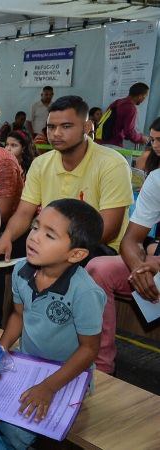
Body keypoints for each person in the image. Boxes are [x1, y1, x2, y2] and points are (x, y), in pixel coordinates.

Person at [0, 199, 105, 449]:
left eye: (49, 235)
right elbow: (18, 316)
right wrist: (3, 348)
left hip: (68, 374)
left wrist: (48, 387)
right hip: (27, 363)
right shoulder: (22, 270)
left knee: (15, 430)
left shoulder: (85, 292)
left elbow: (89, 350)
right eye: (35, 227)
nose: (35, 237)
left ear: (76, 254)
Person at [0, 95, 133, 262]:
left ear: (86, 127)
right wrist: (7, 237)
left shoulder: (112, 164)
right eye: (51, 127)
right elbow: (24, 213)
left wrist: (57, 249)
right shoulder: (41, 163)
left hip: (97, 246)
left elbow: (108, 229)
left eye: (66, 126)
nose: (56, 134)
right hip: (50, 239)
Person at [85, 152, 160, 373]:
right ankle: (102, 367)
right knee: (99, 268)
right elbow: (131, 239)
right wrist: (139, 269)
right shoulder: (156, 179)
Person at [97, 82, 150, 148]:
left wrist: (137, 135)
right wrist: (141, 138)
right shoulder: (131, 108)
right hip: (112, 144)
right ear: (140, 96)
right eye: (144, 97)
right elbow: (129, 132)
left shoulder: (117, 102)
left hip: (100, 142)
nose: (144, 99)